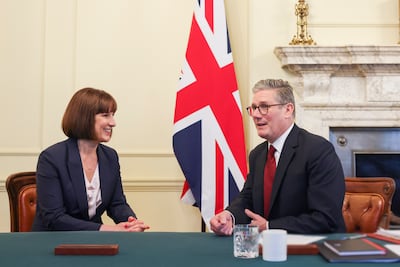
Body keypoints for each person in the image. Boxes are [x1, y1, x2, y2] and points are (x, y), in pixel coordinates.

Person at [210, 79, 346, 235]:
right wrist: (229, 216)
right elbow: (248, 199)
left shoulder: (318, 150)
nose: (255, 114)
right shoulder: (258, 155)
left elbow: (325, 218)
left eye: (264, 107)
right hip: (267, 248)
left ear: (288, 110)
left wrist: (269, 227)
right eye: (254, 108)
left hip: (313, 250)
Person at [32, 87, 149, 232]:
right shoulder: (52, 158)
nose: (113, 123)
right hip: (54, 243)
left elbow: (117, 204)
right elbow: (54, 218)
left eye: (113, 115)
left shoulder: (110, 156)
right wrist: (107, 229)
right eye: (106, 115)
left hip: (94, 241)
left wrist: (130, 223)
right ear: (84, 118)